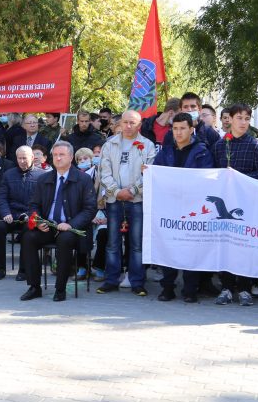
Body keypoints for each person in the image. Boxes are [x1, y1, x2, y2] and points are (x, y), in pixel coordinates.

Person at [19, 141, 95, 302]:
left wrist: (71, 224)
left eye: (62, 155)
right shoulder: (44, 178)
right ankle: (34, 287)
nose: (58, 158)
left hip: (71, 228)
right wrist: (38, 221)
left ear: (71, 157)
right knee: (28, 237)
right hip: (49, 226)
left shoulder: (83, 179)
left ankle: (60, 288)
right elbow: (34, 205)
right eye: (55, 155)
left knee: (65, 240)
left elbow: (89, 209)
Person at [150, 112, 215, 301]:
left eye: (182, 128)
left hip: (193, 207)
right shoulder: (166, 151)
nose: (178, 133)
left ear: (191, 129)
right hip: (169, 206)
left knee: (191, 247)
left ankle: (190, 290)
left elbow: (207, 177)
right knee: (168, 245)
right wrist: (150, 172)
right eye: (175, 129)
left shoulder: (202, 151)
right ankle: (167, 288)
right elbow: (158, 172)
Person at [212, 103, 258, 307]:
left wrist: (238, 178)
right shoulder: (220, 145)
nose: (243, 122)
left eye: (247, 118)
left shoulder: (255, 145)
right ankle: (226, 288)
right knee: (225, 245)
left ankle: (245, 288)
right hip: (225, 204)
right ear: (230, 120)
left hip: (246, 204)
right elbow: (213, 175)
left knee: (244, 246)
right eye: (239, 118)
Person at [95, 111, 155, 296]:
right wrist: (116, 191)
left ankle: (137, 281)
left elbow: (149, 172)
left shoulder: (148, 145)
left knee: (136, 243)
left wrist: (132, 191)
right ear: (120, 123)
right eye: (125, 122)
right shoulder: (109, 144)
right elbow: (103, 171)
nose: (128, 126)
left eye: (132, 123)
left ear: (140, 125)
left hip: (136, 200)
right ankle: (111, 280)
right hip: (114, 200)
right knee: (112, 242)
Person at [0, 145, 42, 281]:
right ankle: (0, 268)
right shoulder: (9, 174)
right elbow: (1, 197)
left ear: (32, 158)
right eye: (19, 158)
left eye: (24, 158)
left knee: (28, 231)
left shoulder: (42, 176)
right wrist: (5, 213)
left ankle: (24, 269)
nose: (22, 161)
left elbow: (42, 201)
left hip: (29, 216)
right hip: (11, 215)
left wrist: (31, 215)